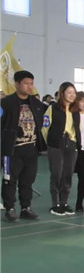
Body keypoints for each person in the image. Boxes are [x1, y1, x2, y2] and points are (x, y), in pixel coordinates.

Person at [1, 70, 47, 222]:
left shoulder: (36, 104)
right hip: (10, 150)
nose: (29, 86)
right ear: (16, 84)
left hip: (31, 150)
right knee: (9, 180)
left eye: (31, 83)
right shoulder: (5, 103)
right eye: (26, 83)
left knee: (27, 181)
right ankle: (10, 209)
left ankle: (26, 208)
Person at [41, 82, 80, 216]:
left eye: (74, 93)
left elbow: (77, 128)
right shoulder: (53, 108)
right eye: (69, 92)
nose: (72, 95)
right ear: (62, 93)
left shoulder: (75, 110)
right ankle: (55, 204)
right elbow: (45, 126)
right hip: (56, 144)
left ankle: (64, 202)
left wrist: (75, 141)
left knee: (68, 174)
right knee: (56, 173)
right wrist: (50, 141)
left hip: (71, 143)